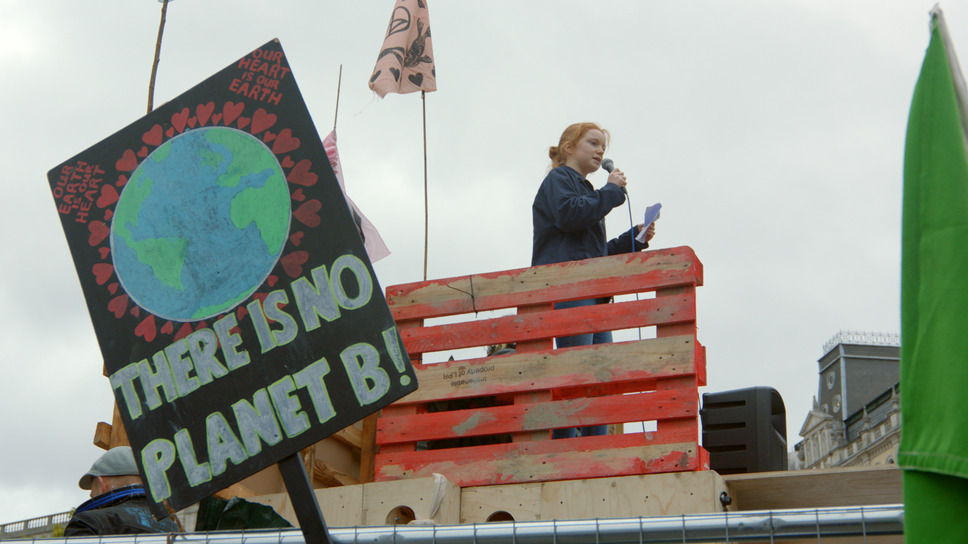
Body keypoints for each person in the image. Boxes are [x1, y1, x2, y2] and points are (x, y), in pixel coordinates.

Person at [532, 122, 656, 439]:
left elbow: (594, 253)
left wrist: (635, 239)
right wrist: (611, 192)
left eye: (604, 146)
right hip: (571, 288)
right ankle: (568, 450)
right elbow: (569, 215)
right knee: (579, 373)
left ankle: (596, 449)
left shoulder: (588, 193)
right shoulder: (559, 179)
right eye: (593, 143)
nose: (601, 151)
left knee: (601, 377)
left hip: (591, 291)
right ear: (569, 147)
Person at [64, 446, 179, 536]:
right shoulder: (174, 529)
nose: (92, 498)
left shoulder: (88, 522)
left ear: (101, 484)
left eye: (93, 494)